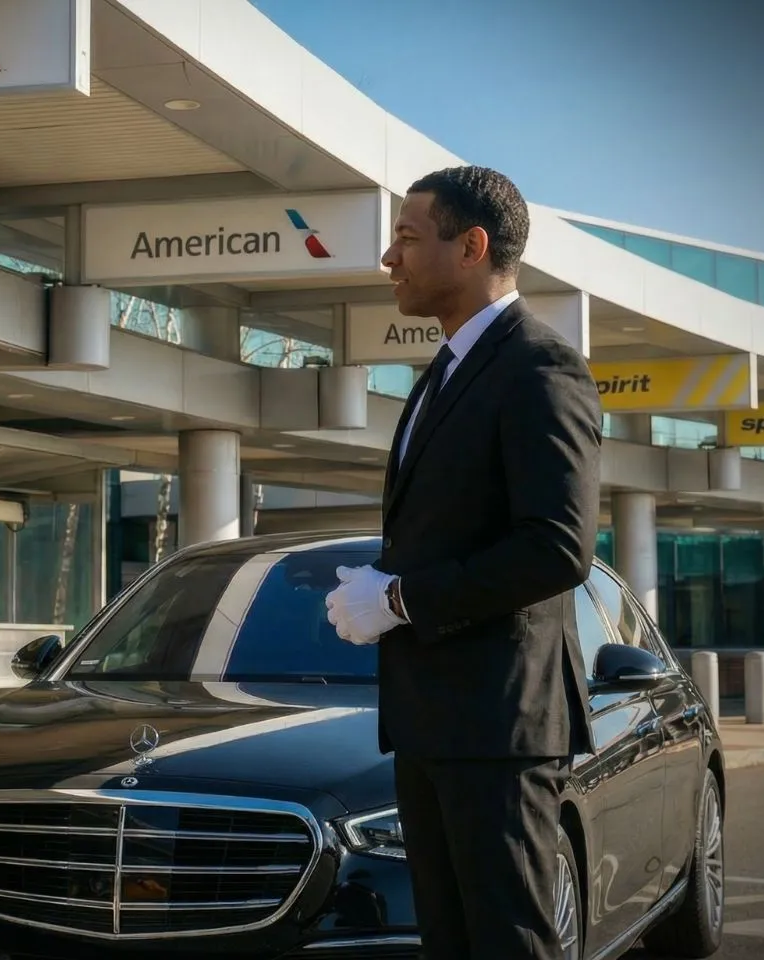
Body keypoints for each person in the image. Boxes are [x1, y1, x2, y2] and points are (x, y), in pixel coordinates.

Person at [324, 166, 601, 959]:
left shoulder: (540, 368)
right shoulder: (440, 374)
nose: (389, 258)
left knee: (508, 944)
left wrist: (402, 599)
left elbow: (557, 546)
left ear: (472, 246)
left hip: (498, 731)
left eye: (408, 238)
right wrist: (374, 591)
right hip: (429, 721)